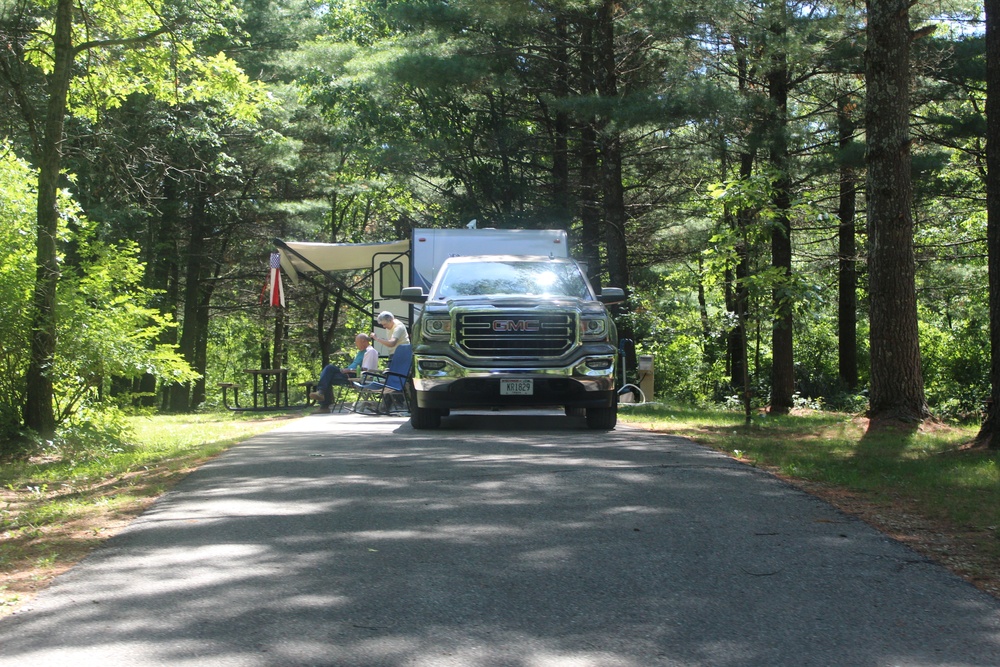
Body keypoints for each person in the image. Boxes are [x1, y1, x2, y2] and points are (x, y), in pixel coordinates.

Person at [310, 333, 378, 411]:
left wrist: (349, 370)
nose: (355, 344)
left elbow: (366, 370)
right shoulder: (361, 352)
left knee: (327, 377)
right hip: (348, 373)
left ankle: (323, 403)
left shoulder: (370, 351)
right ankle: (321, 394)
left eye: (356, 342)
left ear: (363, 341)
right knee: (328, 370)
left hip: (356, 377)